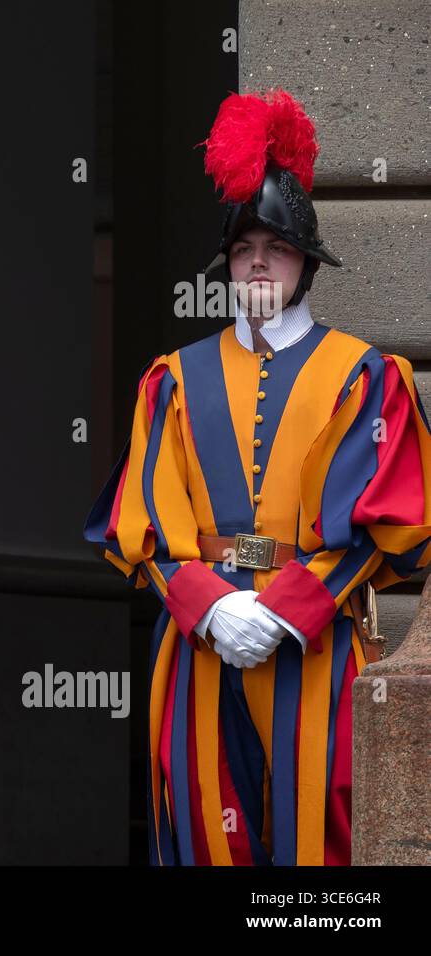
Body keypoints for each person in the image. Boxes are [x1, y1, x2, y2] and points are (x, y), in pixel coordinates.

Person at [85, 89, 431, 865]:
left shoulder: (364, 376)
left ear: (306, 261)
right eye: (244, 250)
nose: (259, 262)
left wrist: (281, 612)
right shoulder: (171, 379)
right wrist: (211, 608)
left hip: (316, 640)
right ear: (228, 265)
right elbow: (145, 518)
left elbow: (376, 521)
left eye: (275, 248)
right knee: (206, 829)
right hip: (200, 643)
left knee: (323, 837)